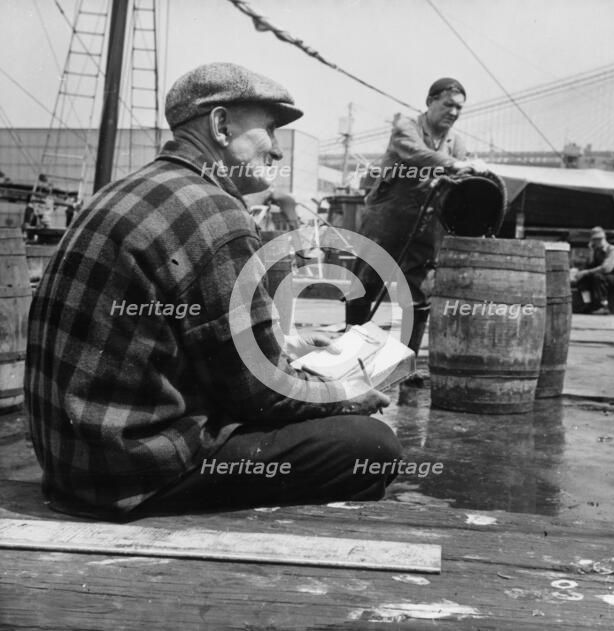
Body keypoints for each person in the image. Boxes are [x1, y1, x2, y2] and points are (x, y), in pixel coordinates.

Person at [25, 62, 400, 521]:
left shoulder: (123, 192)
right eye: (269, 130)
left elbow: (179, 335)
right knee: (370, 444)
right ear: (221, 126)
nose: (279, 152)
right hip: (137, 475)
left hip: (74, 469)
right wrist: (345, 393)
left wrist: (288, 345)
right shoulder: (216, 214)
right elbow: (261, 395)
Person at [344, 78, 488, 356]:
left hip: (426, 219)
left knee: (418, 291)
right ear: (430, 102)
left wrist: (474, 169)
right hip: (388, 214)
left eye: (459, 108)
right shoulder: (406, 127)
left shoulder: (455, 142)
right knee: (367, 281)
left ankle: (405, 362)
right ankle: (351, 353)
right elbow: (416, 153)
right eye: (448, 105)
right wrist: (455, 164)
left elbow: (462, 175)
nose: (454, 113)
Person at [575, 226, 614, 314]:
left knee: (598, 277)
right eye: (595, 239)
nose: (598, 242)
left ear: (604, 238)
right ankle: (587, 303)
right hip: (604, 277)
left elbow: (606, 269)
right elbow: (588, 266)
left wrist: (586, 272)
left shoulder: (612, 250)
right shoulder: (596, 251)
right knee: (583, 280)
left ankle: (603, 306)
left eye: (600, 239)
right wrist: (591, 252)